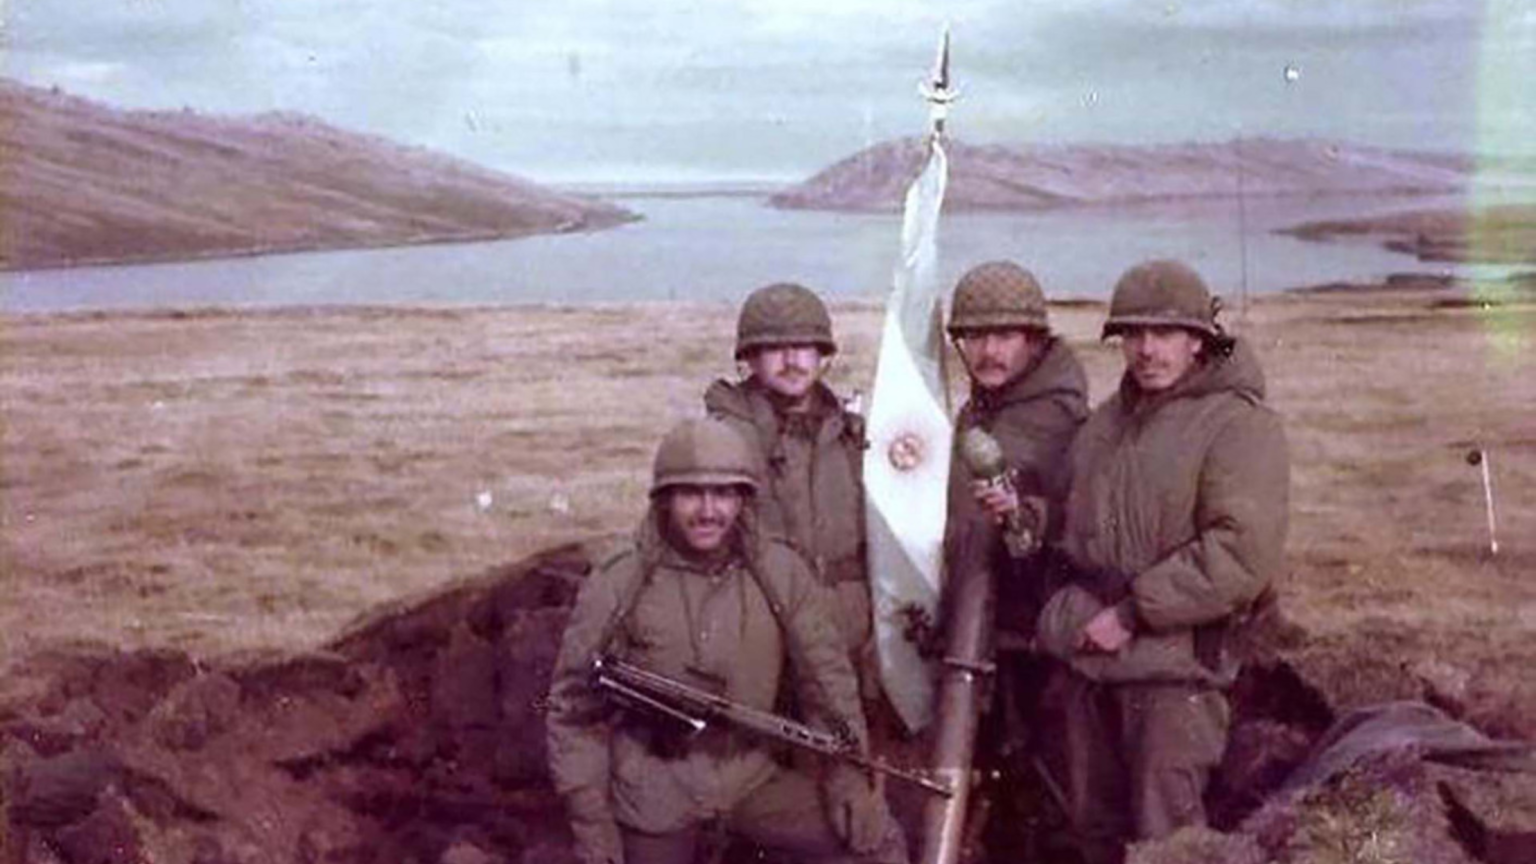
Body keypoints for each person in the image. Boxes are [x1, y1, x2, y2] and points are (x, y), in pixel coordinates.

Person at [545, 418, 907, 864]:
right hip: (651, 797)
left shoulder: (779, 572)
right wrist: (592, 826)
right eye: (690, 493)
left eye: (722, 493)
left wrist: (846, 775)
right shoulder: (619, 581)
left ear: (742, 499)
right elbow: (572, 711)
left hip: (751, 779)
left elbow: (827, 683)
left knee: (875, 844)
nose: (708, 511)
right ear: (664, 500)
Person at [1035, 259, 1289, 863]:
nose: (1147, 349)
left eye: (1165, 333)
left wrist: (1132, 613)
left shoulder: (1238, 424)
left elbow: (1240, 551)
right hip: (1088, 662)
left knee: (1167, 839)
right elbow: (1076, 523)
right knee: (1091, 831)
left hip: (1175, 674)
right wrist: (1031, 517)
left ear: (1199, 339)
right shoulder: (1103, 425)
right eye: (1133, 334)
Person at [941, 261, 1089, 853]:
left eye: (1004, 336)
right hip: (987, 628)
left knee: (1045, 783)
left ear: (1033, 341)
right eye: (975, 337)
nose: (988, 351)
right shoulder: (982, 410)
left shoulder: (1055, 418)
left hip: (1035, 634)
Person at [703, 283, 875, 696]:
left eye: (802, 347)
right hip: (764, 643)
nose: (792, 361)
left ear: (821, 355)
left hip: (852, 642)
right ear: (750, 358)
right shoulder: (722, 442)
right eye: (775, 349)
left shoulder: (854, 438)